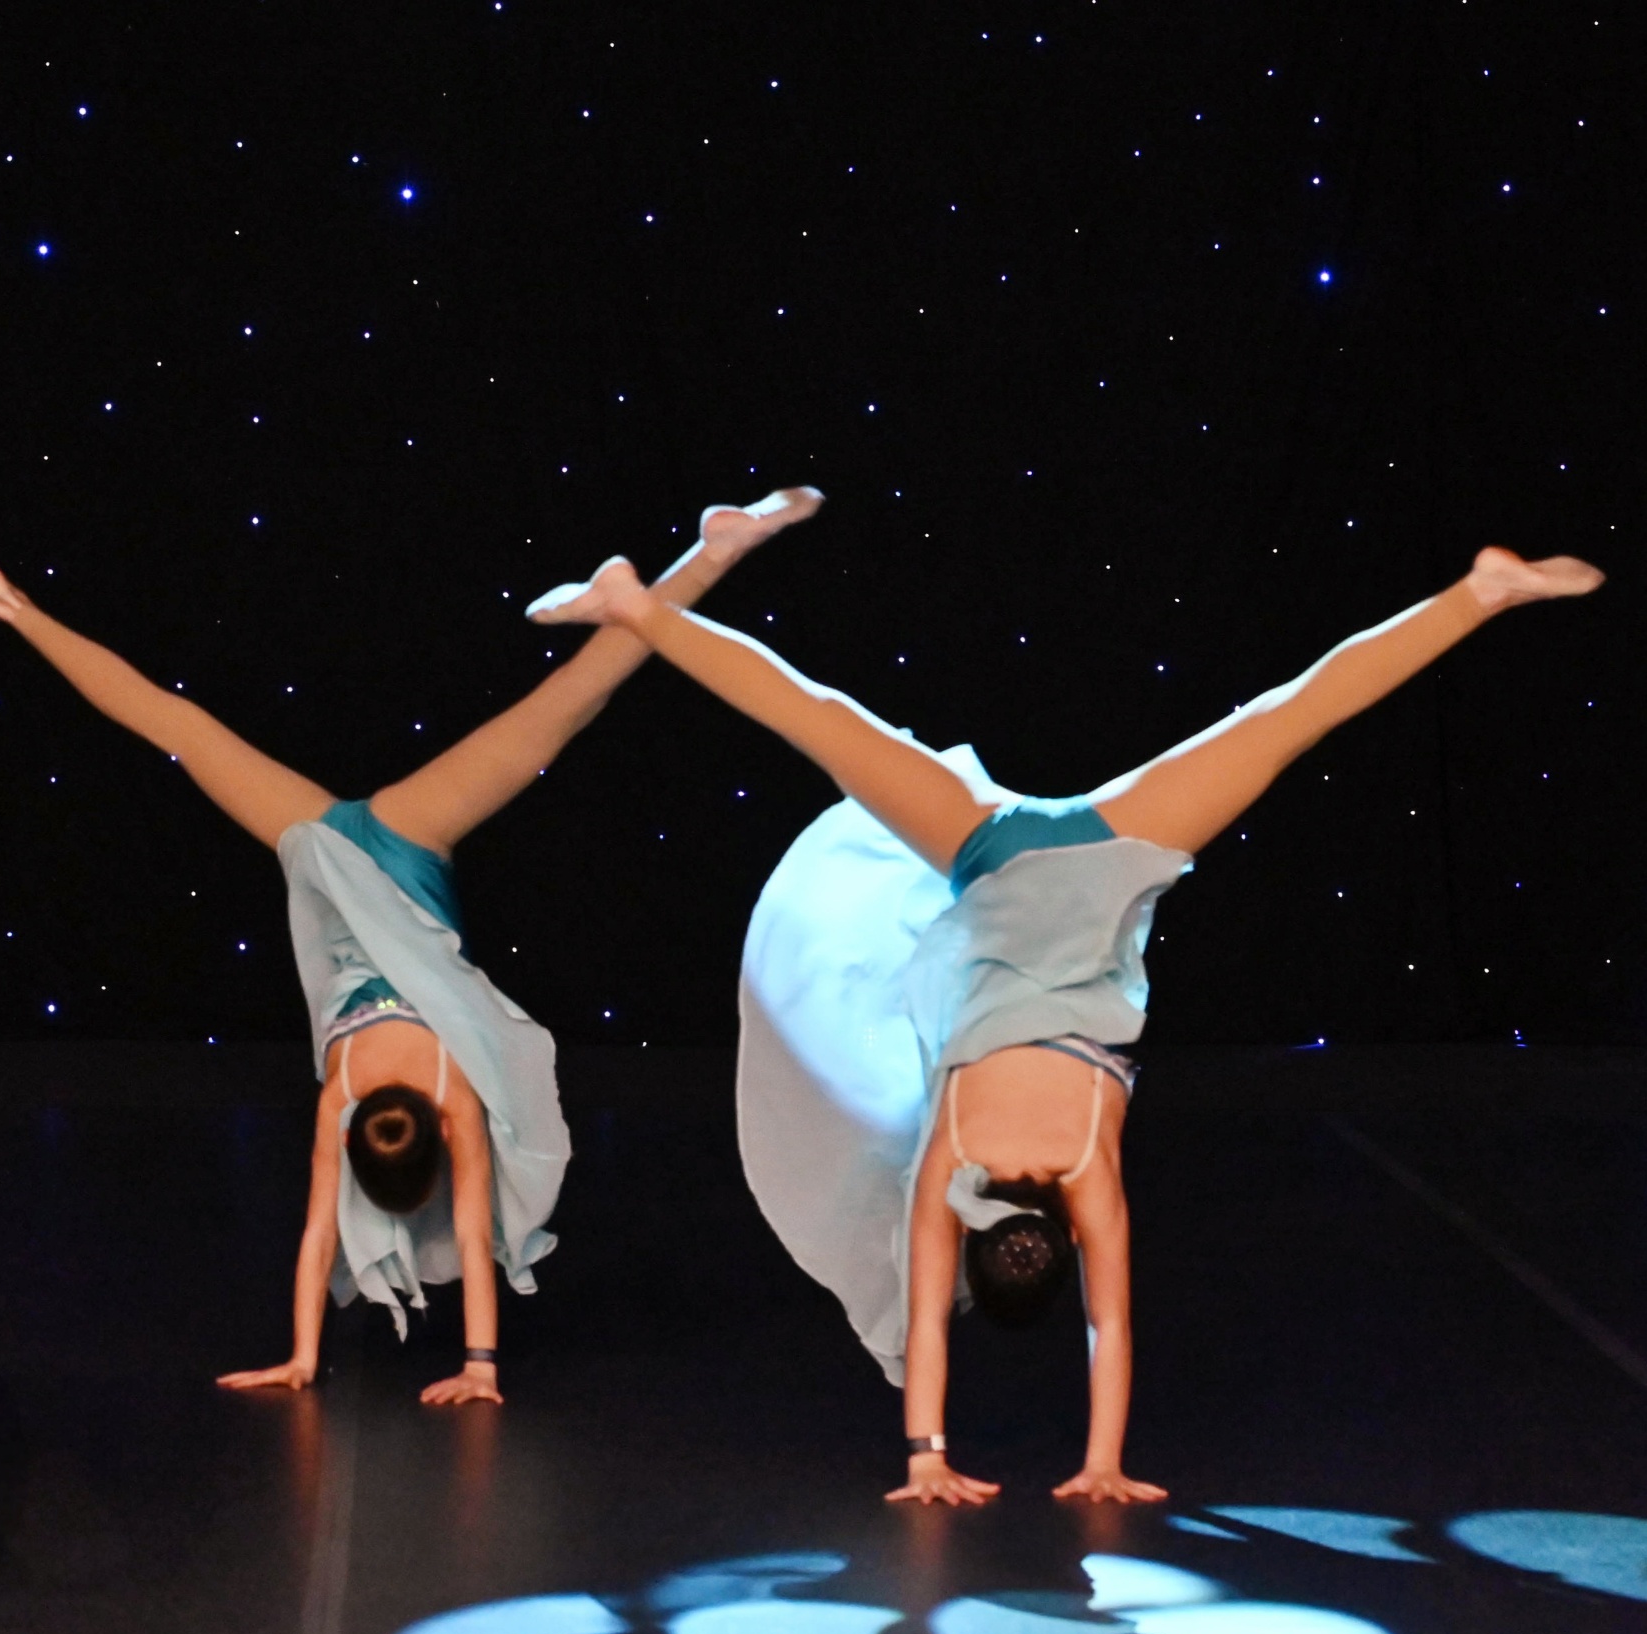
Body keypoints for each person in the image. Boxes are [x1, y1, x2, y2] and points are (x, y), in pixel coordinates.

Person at [528, 538, 1604, 1494]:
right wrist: (925, 1454)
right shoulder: (953, 1154)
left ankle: (1479, 593)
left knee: (1288, 718)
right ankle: (640, 605)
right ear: (980, 1236)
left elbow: (1109, 1323)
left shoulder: (1087, 1165)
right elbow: (934, 1311)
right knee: (820, 720)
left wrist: (1101, 1463)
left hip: (1105, 854)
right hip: (992, 853)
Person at [0, 487, 821, 1405]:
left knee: (566, 703)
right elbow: (318, 1234)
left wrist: (475, 1365)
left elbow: (453, 1235)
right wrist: (309, 1357)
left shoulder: (452, 1094)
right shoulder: (344, 1095)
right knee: (180, 727)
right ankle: (11, 605)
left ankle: (716, 552)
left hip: (407, 840)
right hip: (328, 846)